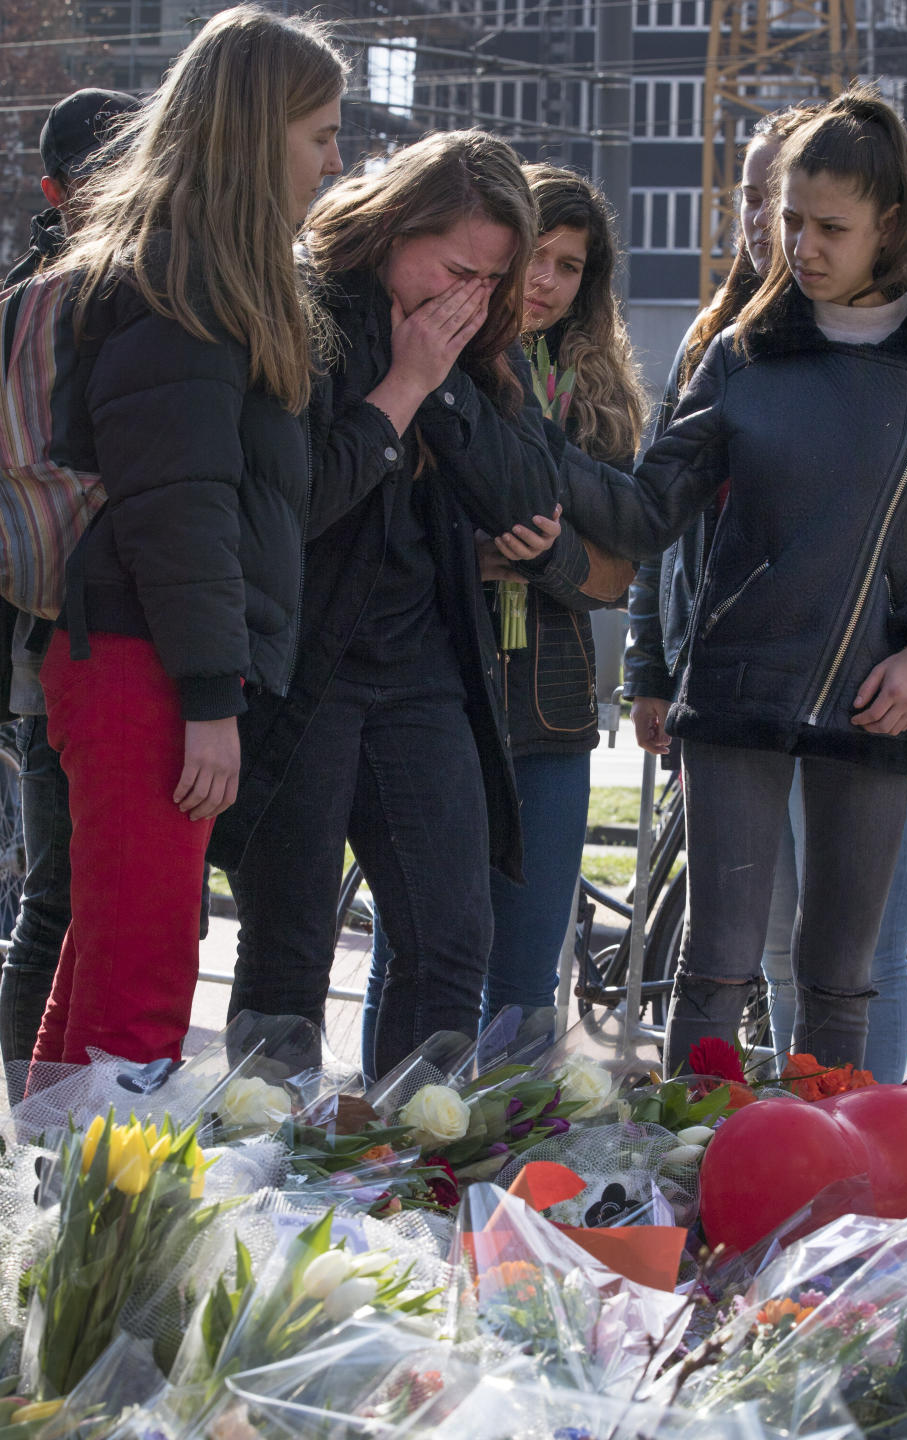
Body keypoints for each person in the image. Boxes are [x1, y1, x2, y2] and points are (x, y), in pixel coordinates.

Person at [613, 86, 907, 1074]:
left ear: (889, 226)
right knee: (714, 967)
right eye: (787, 221)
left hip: (877, 701)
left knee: (844, 976)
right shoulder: (741, 351)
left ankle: (836, 1203)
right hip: (736, 696)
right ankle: (695, 1178)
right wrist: (533, 488)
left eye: (829, 228)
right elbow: (648, 511)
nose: (799, 246)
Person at [27, 4, 347, 1069]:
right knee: (141, 994)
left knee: (108, 967)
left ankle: (53, 1215)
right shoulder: (185, 283)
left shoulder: (187, 271)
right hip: (142, 663)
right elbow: (182, 505)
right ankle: (105, 1227)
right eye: (320, 134)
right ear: (259, 135)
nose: (334, 160)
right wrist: (211, 697)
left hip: (131, 651)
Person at [211, 131, 563, 1081]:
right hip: (304, 672)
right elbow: (297, 507)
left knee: (452, 939)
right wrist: (402, 387)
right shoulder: (307, 308)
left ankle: (410, 1179)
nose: (469, 299)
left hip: (421, 674)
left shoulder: (476, 347)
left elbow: (530, 494)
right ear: (394, 228)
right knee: (290, 946)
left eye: (491, 280)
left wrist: (440, 379)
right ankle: (266, 1181)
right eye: (455, 269)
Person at [357, 165, 647, 1078]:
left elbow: (619, 574)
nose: (546, 283)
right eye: (537, 256)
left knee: (524, 983)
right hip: (435, 681)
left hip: (552, 712)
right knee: (418, 951)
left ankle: (502, 1173)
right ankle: (387, 1143)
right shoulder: (435, 358)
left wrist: (545, 558)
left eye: (571, 266)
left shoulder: (594, 395)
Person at [0, 88, 141, 1086]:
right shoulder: (36, 297)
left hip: (122, 628)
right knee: (56, 896)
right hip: (53, 634)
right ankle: (25, 1136)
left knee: (94, 896)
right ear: (56, 193)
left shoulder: (162, 287)